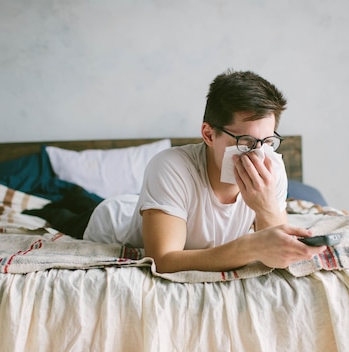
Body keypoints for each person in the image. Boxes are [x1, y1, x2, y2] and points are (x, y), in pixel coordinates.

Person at [118, 69, 326, 273]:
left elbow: (280, 256)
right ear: (208, 134)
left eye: (268, 141)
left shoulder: (273, 166)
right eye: (246, 142)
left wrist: (267, 207)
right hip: (112, 218)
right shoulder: (170, 167)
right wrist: (250, 246)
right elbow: (162, 260)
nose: (259, 154)